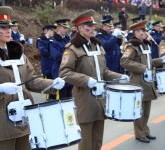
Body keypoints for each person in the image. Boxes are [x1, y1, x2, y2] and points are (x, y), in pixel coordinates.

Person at [59, 9, 129, 150]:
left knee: (97, 139)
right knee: (85, 141)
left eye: (93, 25)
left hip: (100, 98)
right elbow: (64, 72)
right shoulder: (72, 49)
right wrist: (86, 80)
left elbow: (103, 71)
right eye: (87, 26)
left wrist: (118, 77)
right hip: (84, 99)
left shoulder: (97, 46)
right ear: (79, 28)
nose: (92, 28)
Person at [0, 6, 65, 150]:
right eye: (3, 28)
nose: (8, 30)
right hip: (2, 123)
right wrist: (1, 88)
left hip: (24, 118)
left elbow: (32, 80)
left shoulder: (18, 54)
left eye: (9, 27)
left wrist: (52, 83)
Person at [120, 21, 164, 143]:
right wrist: (142, 68)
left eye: (144, 31)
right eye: (141, 31)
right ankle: (139, 134)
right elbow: (124, 62)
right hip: (138, 82)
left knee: (147, 110)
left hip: (147, 82)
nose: (144, 33)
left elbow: (149, 63)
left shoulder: (145, 45)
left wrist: (161, 60)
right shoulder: (132, 47)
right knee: (139, 111)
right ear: (135, 32)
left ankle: (145, 131)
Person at [49, 18, 72, 100]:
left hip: (69, 70)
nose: (66, 30)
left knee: (70, 97)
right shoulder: (53, 41)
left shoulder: (68, 39)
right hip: (59, 71)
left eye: (66, 28)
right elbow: (56, 56)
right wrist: (69, 55)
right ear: (58, 27)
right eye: (64, 28)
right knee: (62, 98)